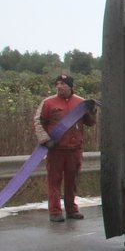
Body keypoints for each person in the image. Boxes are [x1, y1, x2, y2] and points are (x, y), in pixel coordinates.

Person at [33, 74, 97, 222]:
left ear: (70, 86)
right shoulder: (48, 102)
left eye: (63, 84)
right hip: (55, 149)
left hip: (74, 149)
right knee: (54, 181)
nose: (59, 86)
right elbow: (38, 122)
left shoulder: (80, 102)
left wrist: (92, 111)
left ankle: (71, 209)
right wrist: (44, 139)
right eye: (58, 83)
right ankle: (55, 211)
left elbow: (90, 122)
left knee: (72, 181)